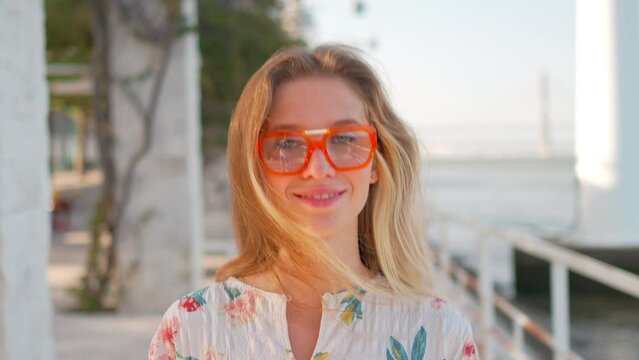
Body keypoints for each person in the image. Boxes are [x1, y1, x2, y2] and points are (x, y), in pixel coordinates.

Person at [148, 44, 479, 360]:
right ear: (256, 168)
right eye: (287, 144)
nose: (319, 169)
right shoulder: (191, 329)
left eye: (345, 139)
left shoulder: (439, 334)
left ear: (376, 163)